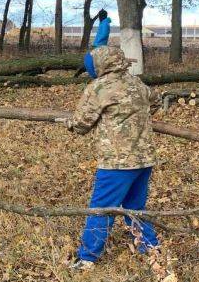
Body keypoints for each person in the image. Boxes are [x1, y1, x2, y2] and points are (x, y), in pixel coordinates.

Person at [64, 46, 159, 269]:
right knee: (135, 205)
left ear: (99, 66)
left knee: (102, 207)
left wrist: (69, 123)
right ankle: (150, 246)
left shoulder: (98, 88)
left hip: (117, 162)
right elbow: (154, 102)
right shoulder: (137, 83)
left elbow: (81, 124)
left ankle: (87, 257)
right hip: (144, 160)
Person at [73, 9, 112, 77]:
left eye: (100, 16)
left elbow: (104, 34)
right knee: (92, 60)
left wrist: (97, 43)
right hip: (98, 45)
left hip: (99, 45)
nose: (99, 17)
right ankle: (81, 72)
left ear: (103, 16)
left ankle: (82, 72)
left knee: (91, 60)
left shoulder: (105, 24)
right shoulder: (103, 23)